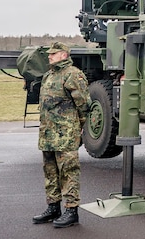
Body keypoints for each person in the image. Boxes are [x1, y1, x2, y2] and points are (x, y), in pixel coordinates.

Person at [31, 42, 90, 228]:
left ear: (64, 55)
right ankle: (53, 207)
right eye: (49, 53)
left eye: (53, 54)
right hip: (48, 133)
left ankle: (71, 211)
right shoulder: (49, 75)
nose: (49, 56)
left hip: (65, 133)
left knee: (68, 172)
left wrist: (78, 127)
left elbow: (84, 105)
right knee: (50, 171)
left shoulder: (73, 74)